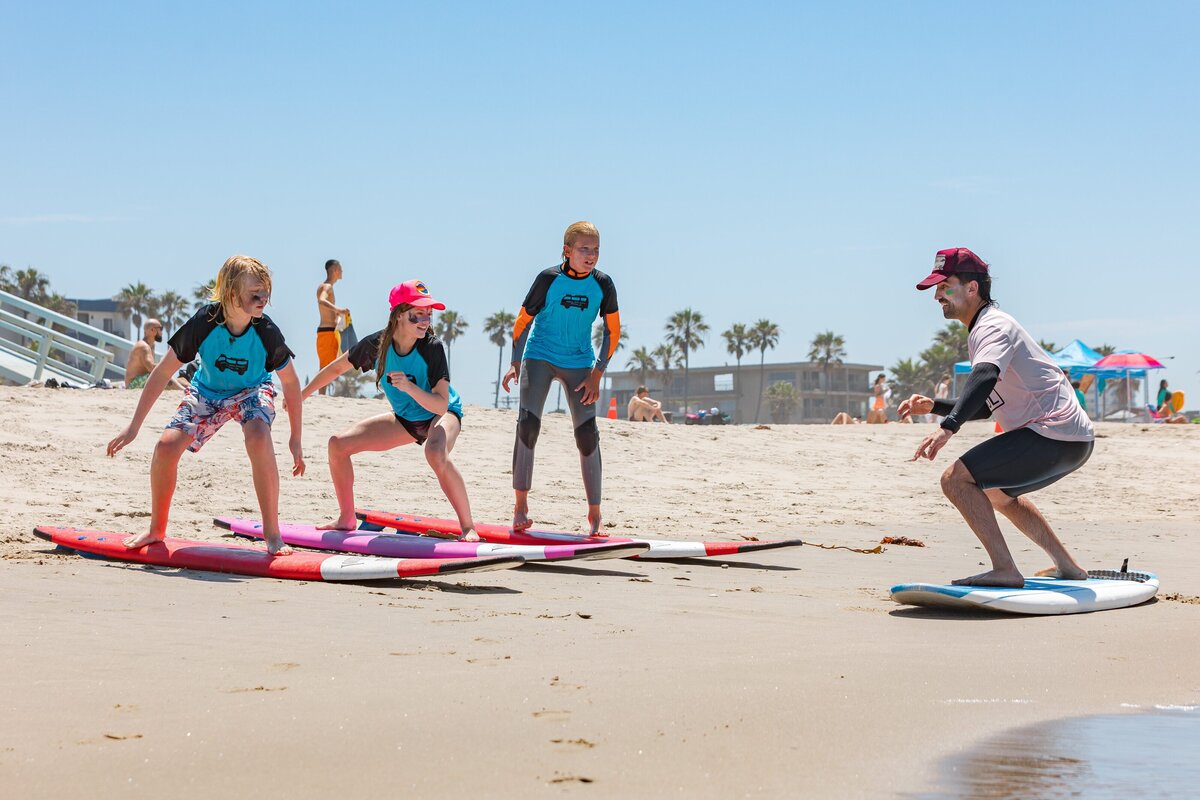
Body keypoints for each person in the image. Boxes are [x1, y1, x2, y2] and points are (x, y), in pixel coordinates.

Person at [898, 247, 1094, 587]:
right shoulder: (986, 329)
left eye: (945, 286)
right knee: (996, 492)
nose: (937, 295)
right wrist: (935, 407)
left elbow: (985, 377)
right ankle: (1069, 567)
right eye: (936, 288)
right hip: (1071, 440)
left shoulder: (993, 326)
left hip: (1052, 434)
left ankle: (1005, 569)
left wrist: (947, 428)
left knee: (955, 480)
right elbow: (989, 404)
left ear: (972, 288)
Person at [107, 255, 304, 555]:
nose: (263, 299)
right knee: (165, 447)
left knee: (258, 437)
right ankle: (156, 530)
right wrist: (134, 427)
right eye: (255, 294)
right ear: (230, 292)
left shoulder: (266, 331)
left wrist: (295, 439)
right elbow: (162, 372)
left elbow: (290, 383)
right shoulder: (205, 322)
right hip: (206, 392)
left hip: (252, 390)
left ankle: (273, 534)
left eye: (266, 293)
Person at [300, 280, 479, 540]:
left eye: (428, 313)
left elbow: (440, 403)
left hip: (441, 415)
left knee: (435, 451)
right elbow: (338, 368)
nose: (425, 320)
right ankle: (346, 518)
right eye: (417, 313)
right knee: (337, 445)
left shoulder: (431, 347)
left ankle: (468, 527)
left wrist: (409, 387)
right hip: (406, 420)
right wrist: (302, 394)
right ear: (398, 315)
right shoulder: (377, 345)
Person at [501, 220, 620, 534]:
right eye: (584, 249)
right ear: (567, 251)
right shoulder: (548, 279)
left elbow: (613, 330)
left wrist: (597, 373)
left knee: (587, 434)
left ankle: (594, 514)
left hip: (580, 363)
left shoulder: (603, 284)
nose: (591, 255)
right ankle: (520, 507)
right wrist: (516, 361)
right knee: (528, 424)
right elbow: (523, 321)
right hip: (540, 356)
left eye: (595, 250)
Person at [125, 318, 188, 390]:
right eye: (160, 329)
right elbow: (151, 367)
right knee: (161, 375)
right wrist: (167, 366)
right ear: (153, 330)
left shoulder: (151, 345)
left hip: (143, 378)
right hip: (133, 384)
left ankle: (191, 389)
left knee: (182, 380)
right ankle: (183, 390)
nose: (161, 332)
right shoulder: (143, 347)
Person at [316, 259, 349, 391]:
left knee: (328, 366)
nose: (342, 271)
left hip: (329, 330)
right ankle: (322, 396)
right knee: (326, 368)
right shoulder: (327, 286)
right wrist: (338, 309)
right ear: (334, 269)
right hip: (326, 331)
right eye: (340, 268)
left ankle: (322, 396)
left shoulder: (328, 286)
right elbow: (321, 300)